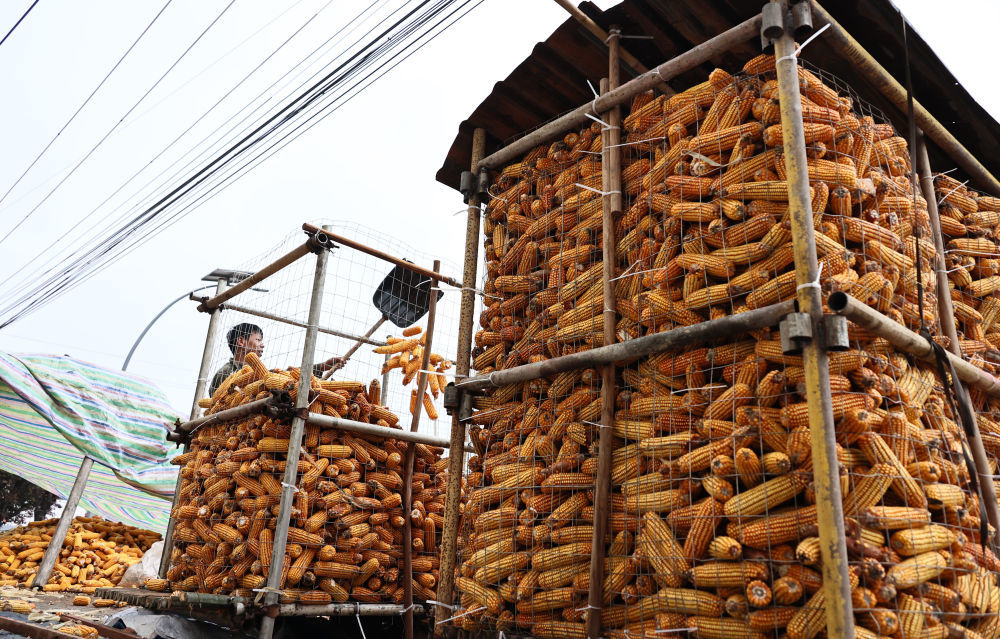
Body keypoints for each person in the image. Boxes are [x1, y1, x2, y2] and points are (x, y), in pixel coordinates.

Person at [208, 323, 345, 396]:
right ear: (241, 341)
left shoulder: (260, 373)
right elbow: (220, 403)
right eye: (258, 340)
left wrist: (321, 367)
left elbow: (282, 377)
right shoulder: (226, 372)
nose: (262, 344)